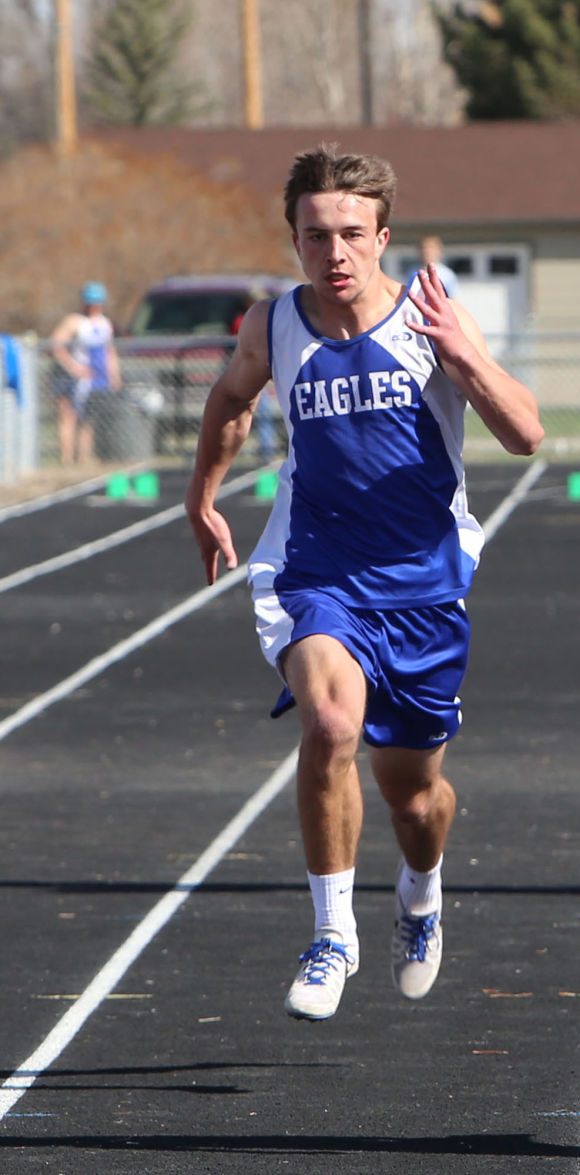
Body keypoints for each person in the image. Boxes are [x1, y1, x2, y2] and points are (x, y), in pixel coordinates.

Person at [184, 144, 544, 1022]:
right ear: (294, 240)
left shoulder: (431, 319)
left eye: (351, 233)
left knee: (413, 796)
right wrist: (200, 500)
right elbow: (231, 402)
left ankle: (421, 892)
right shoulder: (273, 326)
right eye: (316, 235)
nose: (334, 252)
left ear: (383, 236)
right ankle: (332, 932)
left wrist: (465, 353)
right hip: (315, 572)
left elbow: (525, 433)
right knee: (331, 721)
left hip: (422, 587)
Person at [48, 281, 121, 466]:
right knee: (68, 416)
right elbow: (56, 345)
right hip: (71, 379)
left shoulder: (105, 323)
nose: (93, 307)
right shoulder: (74, 321)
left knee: (88, 419)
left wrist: (114, 375)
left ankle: (84, 457)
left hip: (95, 379)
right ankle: (67, 459)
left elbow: (109, 351)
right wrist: (74, 368)